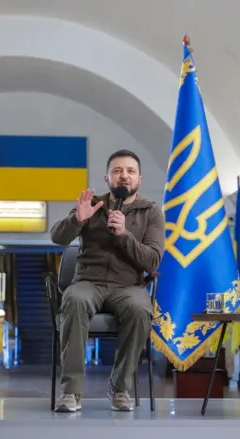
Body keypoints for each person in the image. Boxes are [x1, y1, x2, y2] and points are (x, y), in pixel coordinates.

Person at [50, 149, 165, 412]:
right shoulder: (93, 205)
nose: (124, 175)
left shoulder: (151, 212)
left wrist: (124, 234)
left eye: (130, 171)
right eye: (117, 170)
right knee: (75, 299)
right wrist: (76, 219)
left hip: (128, 286)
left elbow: (152, 261)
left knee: (140, 309)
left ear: (139, 179)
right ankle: (71, 392)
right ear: (107, 178)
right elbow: (57, 237)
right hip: (87, 281)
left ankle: (120, 387)